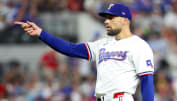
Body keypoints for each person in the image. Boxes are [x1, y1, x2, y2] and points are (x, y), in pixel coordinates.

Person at [14, 3, 154, 101]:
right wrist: (41, 33)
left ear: (125, 20)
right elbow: (70, 48)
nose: (106, 21)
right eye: (105, 18)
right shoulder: (103, 43)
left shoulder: (139, 46)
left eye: (111, 18)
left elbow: (147, 81)